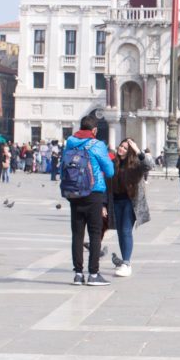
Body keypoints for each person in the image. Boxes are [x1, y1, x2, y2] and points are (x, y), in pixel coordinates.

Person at [62, 115, 115, 285]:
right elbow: (110, 170)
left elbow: (63, 166)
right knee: (94, 233)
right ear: (94, 130)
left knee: (77, 234)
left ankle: (78, 274)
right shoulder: (97, 145)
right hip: (93, 193)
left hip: (74, 193)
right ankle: (93, 274)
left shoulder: (70, 142)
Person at [107, 138, 153, 277]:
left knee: (126, 230)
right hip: (115, 201)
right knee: (120, 232)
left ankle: (126, 263)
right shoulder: (113, 162)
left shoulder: (136, 164)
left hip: (130, 202)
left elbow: (149, 165)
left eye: (126, 148)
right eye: (121, 146)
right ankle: (124, 261)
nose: (121, 149)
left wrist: (139, 151)